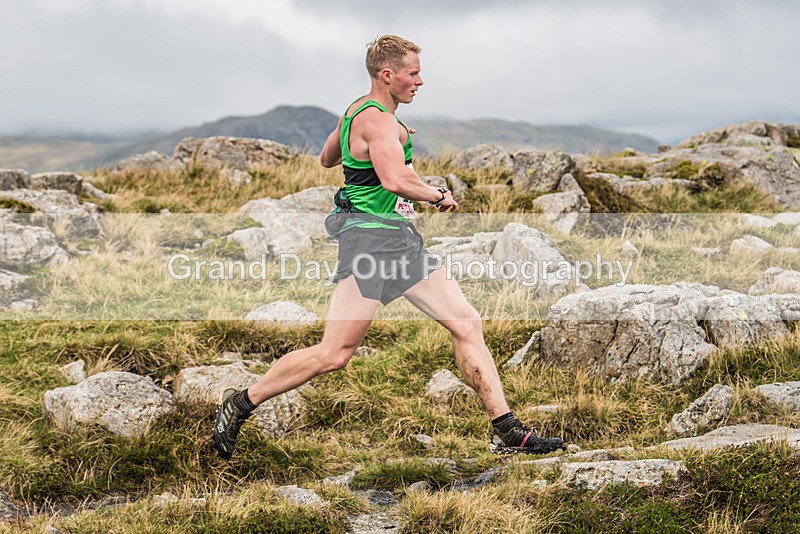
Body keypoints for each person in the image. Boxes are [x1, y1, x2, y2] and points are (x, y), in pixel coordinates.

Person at [212, 35, 565, 460]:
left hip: (399, 242)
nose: (420, 81)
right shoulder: (378, 121)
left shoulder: (358, 112)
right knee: (335, 353)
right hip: (370, 244)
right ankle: (241, 402)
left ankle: (506, 430)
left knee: (467, 323)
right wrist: (437, 194)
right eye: (413, 73)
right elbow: (395, 182)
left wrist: (382, 137)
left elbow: (329, 158)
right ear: (388, 74)